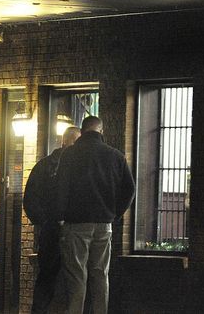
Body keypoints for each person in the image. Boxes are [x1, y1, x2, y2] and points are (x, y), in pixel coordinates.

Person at [55, 116, 135, 314]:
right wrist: (115, 214)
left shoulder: (70, 155)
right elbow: (130, 189)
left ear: (82, 132)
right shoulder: (115, 156)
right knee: (100, 275)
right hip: (103, 224)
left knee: (76, 275)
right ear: (101, 131)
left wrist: (60, 216)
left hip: (76, 223)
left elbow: (61, 188)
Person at [23, 126, 81, 314]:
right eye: (76, 142)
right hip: (63, 229)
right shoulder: (71, 167)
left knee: (47, 276)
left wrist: (43, 222)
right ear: (66, 141)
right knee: (71, 277)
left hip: (52, 229)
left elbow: (30, 198)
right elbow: (31, 198)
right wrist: (46, 222)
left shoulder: (45, 165)